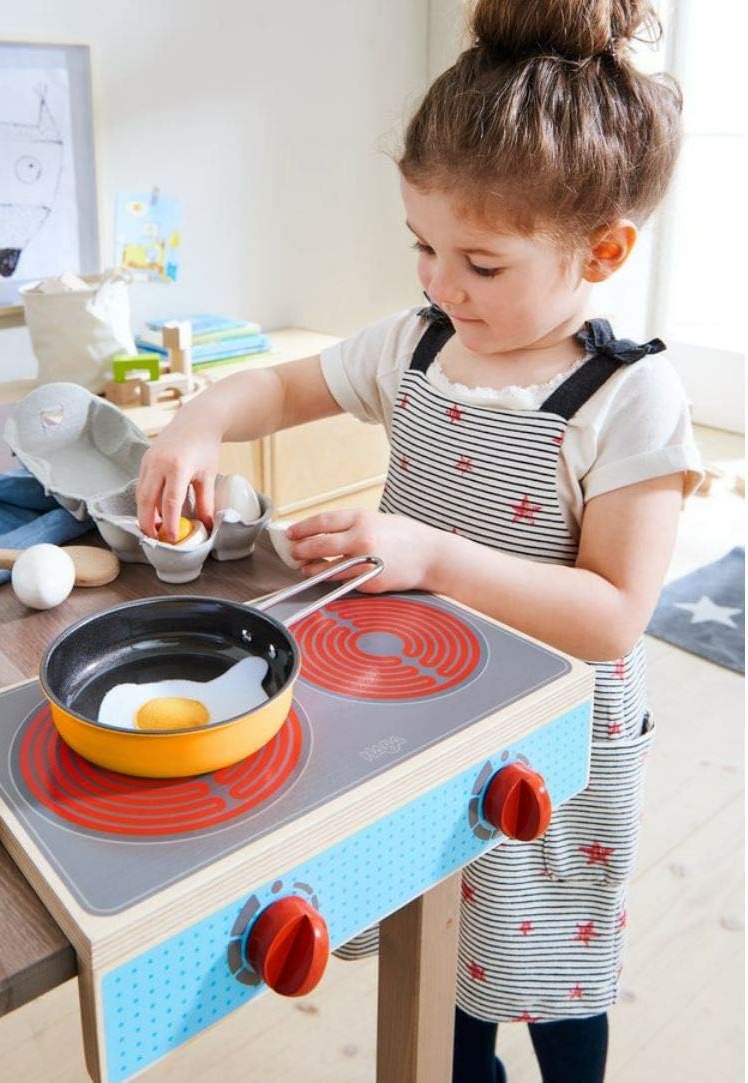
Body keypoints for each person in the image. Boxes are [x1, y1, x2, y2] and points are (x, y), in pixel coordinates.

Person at [135, 1, 703, 1079]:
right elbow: (281, 389)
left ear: (603, 250)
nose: (440, 283)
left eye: (480, 263)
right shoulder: (419, 344)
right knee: (437, 951)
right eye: (423, 247)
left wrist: (429, 555)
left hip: (549, 744)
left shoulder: (630, 399)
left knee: (543, 966)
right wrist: (198, 419)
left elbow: (611, 617)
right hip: (420, 712)